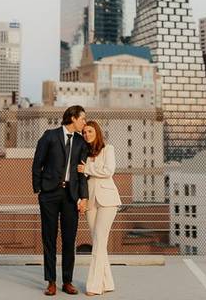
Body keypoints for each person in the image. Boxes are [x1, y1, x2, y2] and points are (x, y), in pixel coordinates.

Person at [32, 105, 89, 296]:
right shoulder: (50, 136)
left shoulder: (81, 142)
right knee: (49, 239)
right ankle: (51, 281)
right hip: (49, 194)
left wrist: (83, 197)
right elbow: (37, 163)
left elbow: (82, 174)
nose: (84, 122)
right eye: (82, 119)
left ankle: (67, 281)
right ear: (73, 118)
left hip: (70, 197)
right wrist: (38, 189)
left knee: (69, 239)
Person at [77, 120, 120, 296]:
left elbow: (109, 170)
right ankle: (107, 282)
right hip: (90, 201)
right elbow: (81, 179)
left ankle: (93, 286)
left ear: (97, 132)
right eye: (84, 132)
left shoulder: (108, 149)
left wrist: (87, 168)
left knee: (100, 240)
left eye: (90, 131)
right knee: (98, 242)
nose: (87, 134)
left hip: (108, 200)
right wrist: (82, 200)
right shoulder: (83, 153)